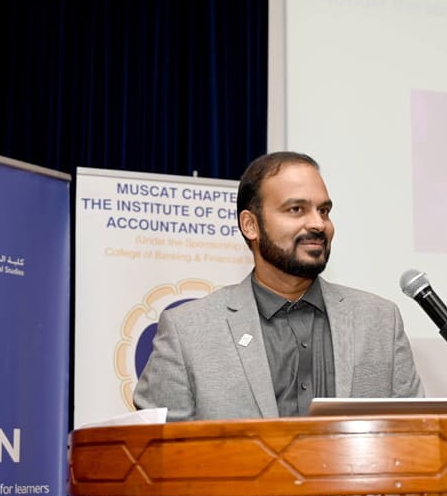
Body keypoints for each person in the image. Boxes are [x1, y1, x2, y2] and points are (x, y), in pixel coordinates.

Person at [133, 151, 424, 421]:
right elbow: (157, 450)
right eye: (296, 209)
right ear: (250, 225)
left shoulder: (379, 322)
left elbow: (416, 436)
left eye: (324, 210)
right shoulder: (188, 331)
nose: (318, 224)